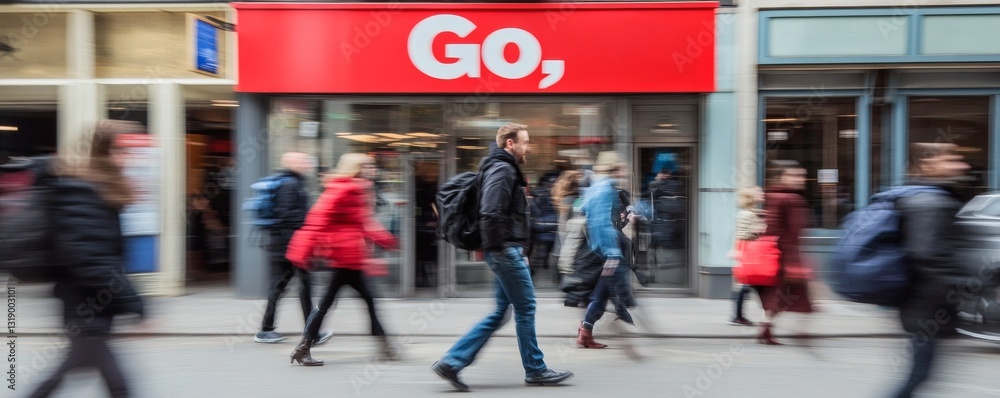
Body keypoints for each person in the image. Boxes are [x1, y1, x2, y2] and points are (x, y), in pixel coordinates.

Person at [432, 123, 573, 391]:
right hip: (504, 251)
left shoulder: (501, 168)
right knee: (526, 308)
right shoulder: (502, 169)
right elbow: (491, 211)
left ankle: (452, 361)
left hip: (505, 249)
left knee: (501, 312)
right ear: (510, 143)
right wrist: (502, 248)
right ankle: (535, 369)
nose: (528, 147)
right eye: (525, 142)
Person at [28, 120, 145, 398]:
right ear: (106, 152)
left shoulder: (99, 189)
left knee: (82, 375)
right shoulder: (84, 193)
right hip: (85, 306)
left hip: (94, 307)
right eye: (124, 151)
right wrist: (134, 302)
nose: (130, 158)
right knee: (118, 386)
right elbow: (90, 259)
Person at [285, 153, 400, 366]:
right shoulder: (343, 190)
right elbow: (317, 221)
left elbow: (364, 224)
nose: (371, 169)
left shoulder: (356, 189)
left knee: (350, 302)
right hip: (344, 258)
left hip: (351, 258)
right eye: (366, 166)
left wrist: (386, 240)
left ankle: (304, 347)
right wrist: (303, 252)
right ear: (355, 168)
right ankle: (385, 346)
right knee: (348, 303)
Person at [889, 143, 969, 398]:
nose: (962, 165)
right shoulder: (931, 202)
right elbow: (927, 254)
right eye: (952, 160)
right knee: (917, 378)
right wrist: (963, 286)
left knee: (919, 377)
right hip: (927, 307)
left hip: (925, 305)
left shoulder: (930, 198)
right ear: (927, 164)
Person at [254, 152, 330, 345]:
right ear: (292, 163)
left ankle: (268, 330)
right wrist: (305, 232)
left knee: (283, 287)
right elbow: (287, 216)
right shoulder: (290, 184)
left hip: (285, 245)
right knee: (301, 287)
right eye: (302, 161)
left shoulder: (293, 182)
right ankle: (310, 333)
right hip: (288, 246)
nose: (307, 163)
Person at [575, 151, 639, 351]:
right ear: (614, 168)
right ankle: (586, 332)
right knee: (602, 294)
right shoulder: (605, 189)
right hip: (606, 250)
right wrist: (611, 252)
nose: (624, 171)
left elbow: (582, 208)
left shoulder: (596, 187)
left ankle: (586, 332)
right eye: (621, 167)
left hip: (597, 248)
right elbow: (602, 223)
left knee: (601, 293)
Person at [754, 160, 813, 345]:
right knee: (791, 297)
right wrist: (793, 261)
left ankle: (767, 329)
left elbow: (768, 228)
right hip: (786, 257)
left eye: (802, 175)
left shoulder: (771, 196)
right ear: (782, 177)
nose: (800, 179)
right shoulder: (793, 200)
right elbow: (795, 232)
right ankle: (796, 331)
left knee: (778, 297)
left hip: (773, 255)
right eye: (795, 175)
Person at [727, 186, 765, 327]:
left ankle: (739, 316)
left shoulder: (749, 213)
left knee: (748, 285)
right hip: (748, 252)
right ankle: (738, 316)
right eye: (758, 192)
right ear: (751, 197)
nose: (761, 194)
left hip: (746, 251)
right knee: (746, 285)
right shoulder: (747, 214)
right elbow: (745, 234)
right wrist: (761, 229)